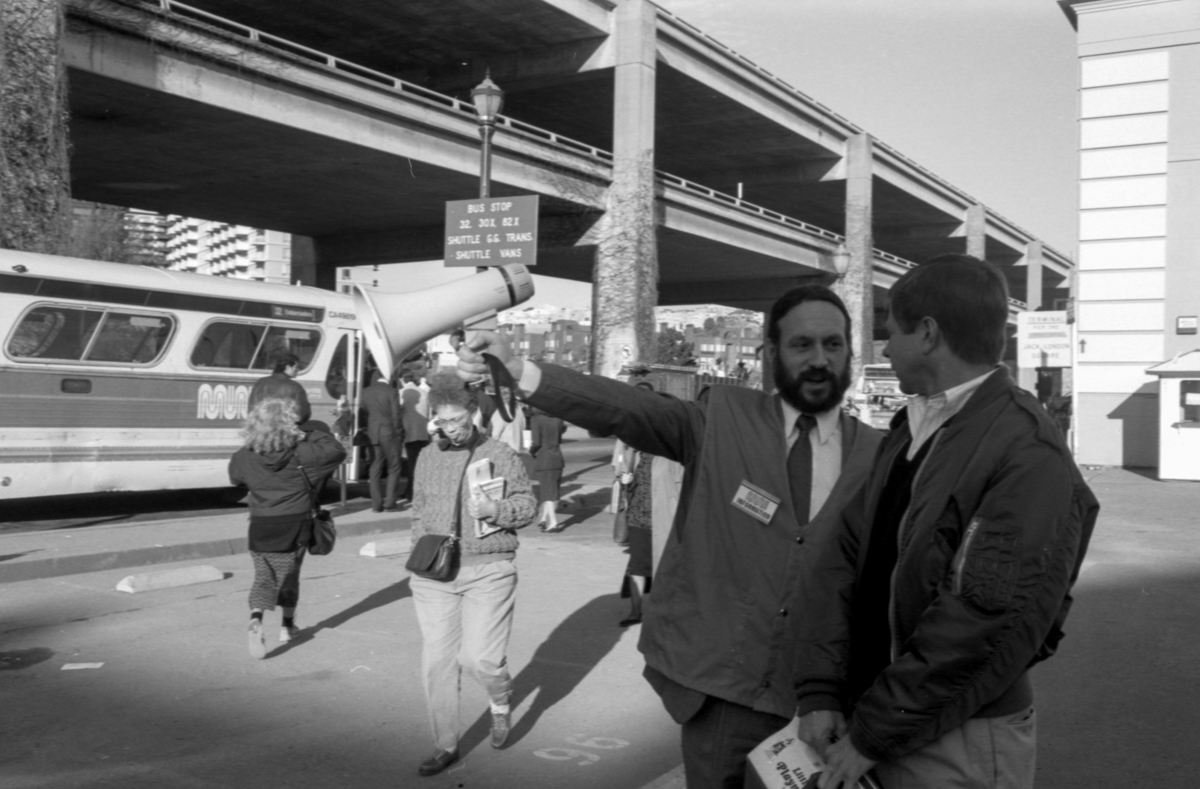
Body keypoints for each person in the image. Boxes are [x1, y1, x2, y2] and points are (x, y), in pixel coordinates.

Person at [457, 285, 883, 789]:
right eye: (802, 345)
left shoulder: (880, 455)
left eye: (833, 345)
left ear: (850, 354)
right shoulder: (722, 418)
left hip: (827, 713)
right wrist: (518, 368)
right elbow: (624, 410)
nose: (819, 360)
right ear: (770, 355)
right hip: (722, 701)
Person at [792, 255, 1099, 789]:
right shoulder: (913, 428)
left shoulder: (1025, 451)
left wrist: (874, 734)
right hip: (880, 720)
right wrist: (821, 689)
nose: (884, 349)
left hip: (955, 737)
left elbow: (983, 622)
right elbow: (846, 556)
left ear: (929, 333)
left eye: (891, 333)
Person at [410, 372, 537, 777]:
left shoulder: (500, 452)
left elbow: (528, 506)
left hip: (489, 568)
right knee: (438, 662)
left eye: (456, 420)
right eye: (441, 421)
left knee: (480, 659)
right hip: (435, 574)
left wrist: (495, 512)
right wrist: (421, 551)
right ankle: (445, 743)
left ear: (473, 412)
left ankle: (500, 700)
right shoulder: (428, 456)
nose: (450, 429)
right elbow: (418, 509)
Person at [228, 398, 346, 659]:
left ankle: (256, 618)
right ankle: (287, 626)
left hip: (260, 525)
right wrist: (308, 431)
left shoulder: (245, 455)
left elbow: (235, 477)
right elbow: (336, 450)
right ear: (290, 424)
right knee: (290, 577)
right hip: (295, 525)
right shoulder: (302, 452)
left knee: (263, 577)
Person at [360, 367, 404, 513]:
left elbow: (364, 411)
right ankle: (390, 502)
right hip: (389, 432)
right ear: (388, 377)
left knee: (375, 469)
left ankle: (376, 505)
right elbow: (396, 416)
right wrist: (399, 433)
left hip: (373, 433)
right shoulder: (392, 391)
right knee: (394, 467)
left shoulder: (366, 391)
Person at [527, 406, 566, 532]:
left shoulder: (536, 419)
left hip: (544, 459)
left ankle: (553, 522)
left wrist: (531, 452)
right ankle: (543, 518)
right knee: (551, 490)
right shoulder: (558, 419)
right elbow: (559, 439)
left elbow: (536, 442)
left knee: (547, 492)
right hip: (557, 458)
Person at [248, 349, 312, 425]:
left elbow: (251, 408)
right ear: (288, 367)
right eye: (296, 367)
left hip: (261, 430)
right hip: (283, 431)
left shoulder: (260, 382)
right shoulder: (295, 387)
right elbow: (302, 414)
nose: (298, 370)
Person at [400, 372, 432, 502]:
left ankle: (412, 493)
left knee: (412, 464)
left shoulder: (401, 393)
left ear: (403, 380)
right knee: (419, 464)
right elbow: (429, 415)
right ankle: (410, 490)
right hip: (423, 432)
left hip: (409, 433)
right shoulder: (424, 393)